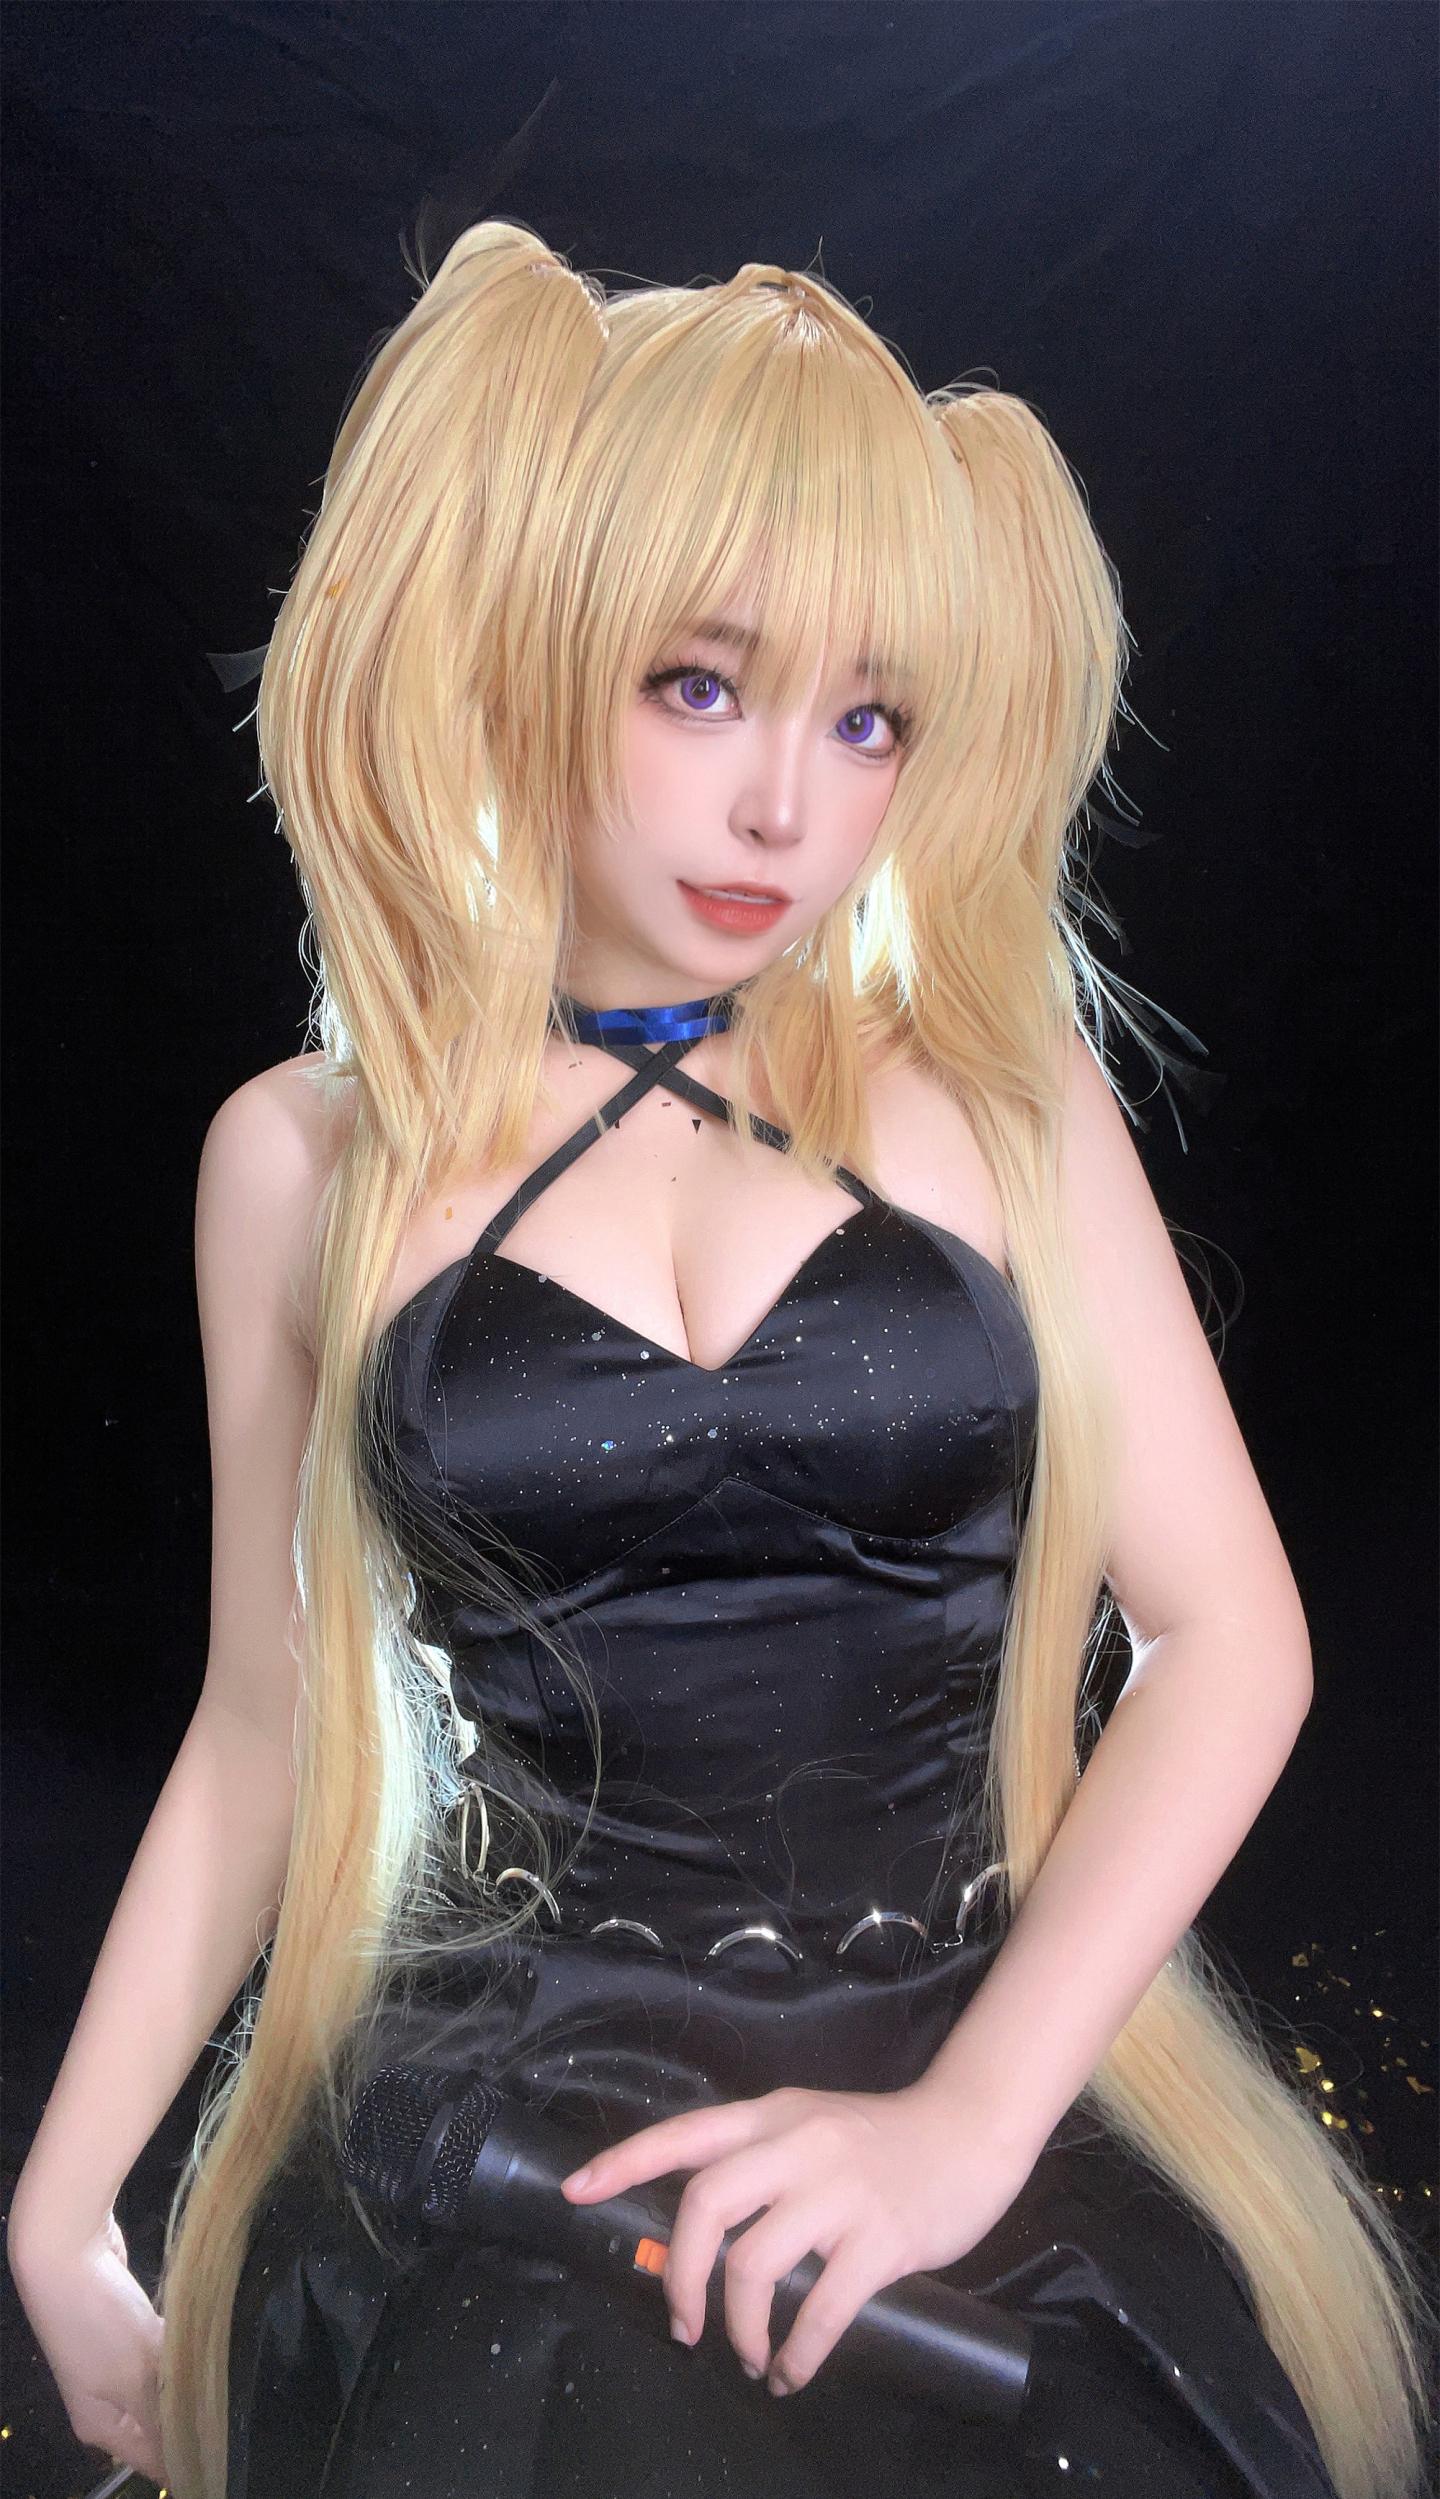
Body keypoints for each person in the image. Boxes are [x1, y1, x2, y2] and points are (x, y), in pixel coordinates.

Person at [8, 221, 1432, 2499]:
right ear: (523, 644)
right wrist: (64, 2203)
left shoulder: (1001, 1099)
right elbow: (264, 1725)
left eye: (869, 719)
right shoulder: (307, 1160)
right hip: (521, 2129)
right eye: (700, 685)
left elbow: (1231, 1637)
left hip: (969, 2071)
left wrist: (967, 2123)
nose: (790, 806)